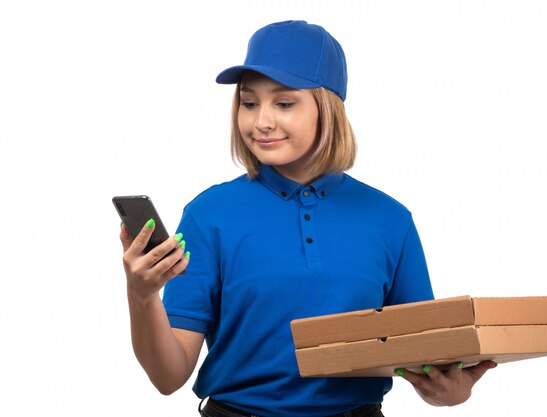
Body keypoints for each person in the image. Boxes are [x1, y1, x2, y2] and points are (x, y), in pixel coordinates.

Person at [119, 20, 495, 417]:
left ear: (327, 107)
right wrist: (141, 294)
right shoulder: (208, 214)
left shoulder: (390, 219)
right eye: (249, 103)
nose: (261, 121)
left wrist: (451, 392)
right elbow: (168, 377)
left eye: (283, 103)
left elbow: (425, 365)